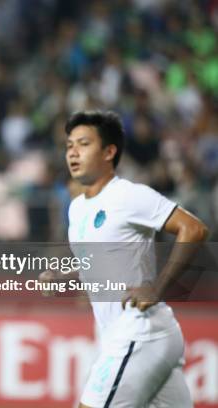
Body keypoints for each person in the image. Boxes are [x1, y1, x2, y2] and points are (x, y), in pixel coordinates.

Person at [43, 110, 207, 407]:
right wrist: (60, 277)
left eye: (83, 143)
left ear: (109, 152)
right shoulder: (77, 208)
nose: (73, 152)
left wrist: (158, 287)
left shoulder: (130, 196)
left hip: (138, 331)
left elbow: (193, 229)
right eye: (69, 145)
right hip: (139, 335)